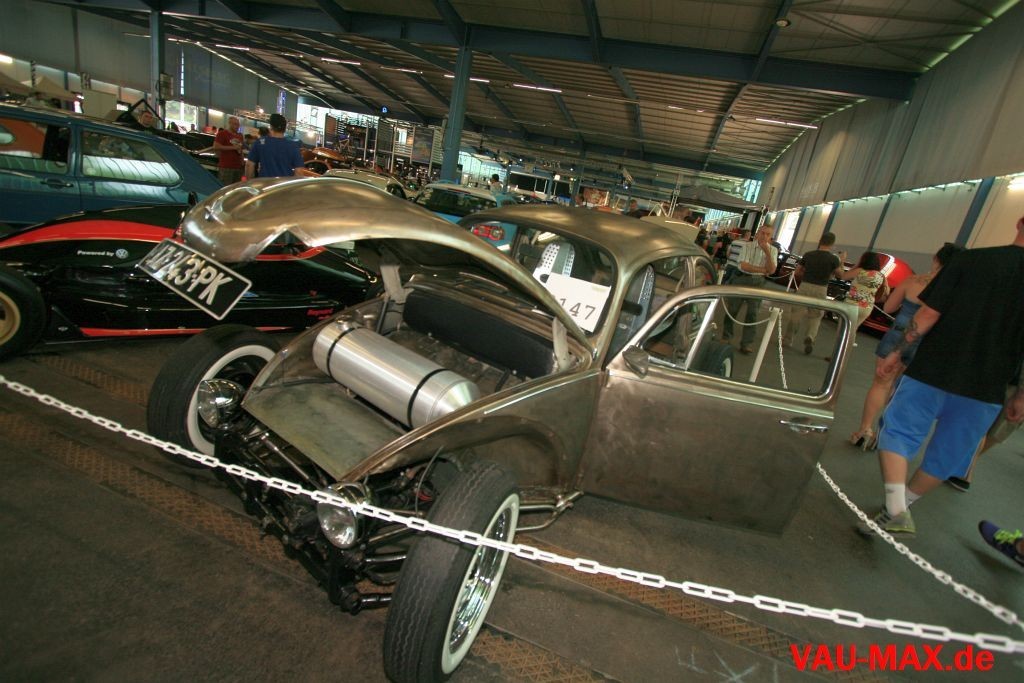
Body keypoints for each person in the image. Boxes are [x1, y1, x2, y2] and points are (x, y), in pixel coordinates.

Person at [861, 216, 1024, 536]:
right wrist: (1021, 394)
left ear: (1019, 222)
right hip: (988, 385)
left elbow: (929, 313)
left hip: (932, 369)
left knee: (898, 432)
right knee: (949, 454)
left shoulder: (970, 260)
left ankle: (895, 507)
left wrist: (898, 351)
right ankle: (902, 506)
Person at [849, 243, 962, 449]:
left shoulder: (912, 281)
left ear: (936, 259)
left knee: (881, 383)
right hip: (926, 340)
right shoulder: (954, 290)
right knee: (900, 389)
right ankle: (884, 434)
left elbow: (889, 307)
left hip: (898, 333)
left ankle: (864, 430)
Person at [721, 224, 779, 355]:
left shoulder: (773, 250)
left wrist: (767, 253)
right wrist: (763, 270)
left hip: (758, 283)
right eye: (762, 233)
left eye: (768, 234)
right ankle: (726, 336)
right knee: (733, 309)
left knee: (753, 313)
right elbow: (744, 266)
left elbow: (772, 270)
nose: (764, 236)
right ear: (757, 233)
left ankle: (746, 343)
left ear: (771, 237)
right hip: (741, 279)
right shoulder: (747, 246)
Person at [785, 232, 846, 355]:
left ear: (820, 241)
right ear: (832, 244)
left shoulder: (808, 255)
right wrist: (842, 261)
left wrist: (807, 274)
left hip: (805, 285)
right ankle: (810, 337)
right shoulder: (834, 259)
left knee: (796, 312)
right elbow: (841, 275)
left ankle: (787, 339)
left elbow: (797, 272)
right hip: (821, 288)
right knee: (816, 316)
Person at [245, 114, 317, 179]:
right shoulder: (293, 146)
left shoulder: (260, 143)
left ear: (271, 127)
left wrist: (250, 184)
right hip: (283, 187)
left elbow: (249, 165)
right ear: (285, 129)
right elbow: (299, 172)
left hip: (265, 186)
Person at [839, 251, 888, 332]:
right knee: (852, 330)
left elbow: (843, 277)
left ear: (864, 260)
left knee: (843, 329)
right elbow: (886, 292)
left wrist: (843, 262)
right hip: (867, 307)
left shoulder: (860, 271)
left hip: (852, 304)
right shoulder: (881, 276)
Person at [213, 116, 244, 185]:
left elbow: (240, 149)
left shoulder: (240, 136)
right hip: (226, 167)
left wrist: (242, 161)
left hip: (238, 167)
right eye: (235, 124)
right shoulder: (222, 134)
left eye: (238, 125)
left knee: (235, 188)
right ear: (230, 124)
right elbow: (216, 146)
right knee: (224, 187)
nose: (237, 126)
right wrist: (233, 147)